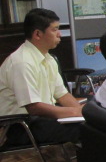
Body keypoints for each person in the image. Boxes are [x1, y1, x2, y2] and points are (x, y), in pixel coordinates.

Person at [0, 8, 83, 146]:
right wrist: (74, 112)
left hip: (41, 119)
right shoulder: (22, 62)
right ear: (37, 34)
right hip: (19, 126)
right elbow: (34, 107)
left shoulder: (48, 59)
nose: (60, 34)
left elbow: (62, 95)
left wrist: (81, 112)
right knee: (86, 130)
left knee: (93, 123)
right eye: (55, 30)